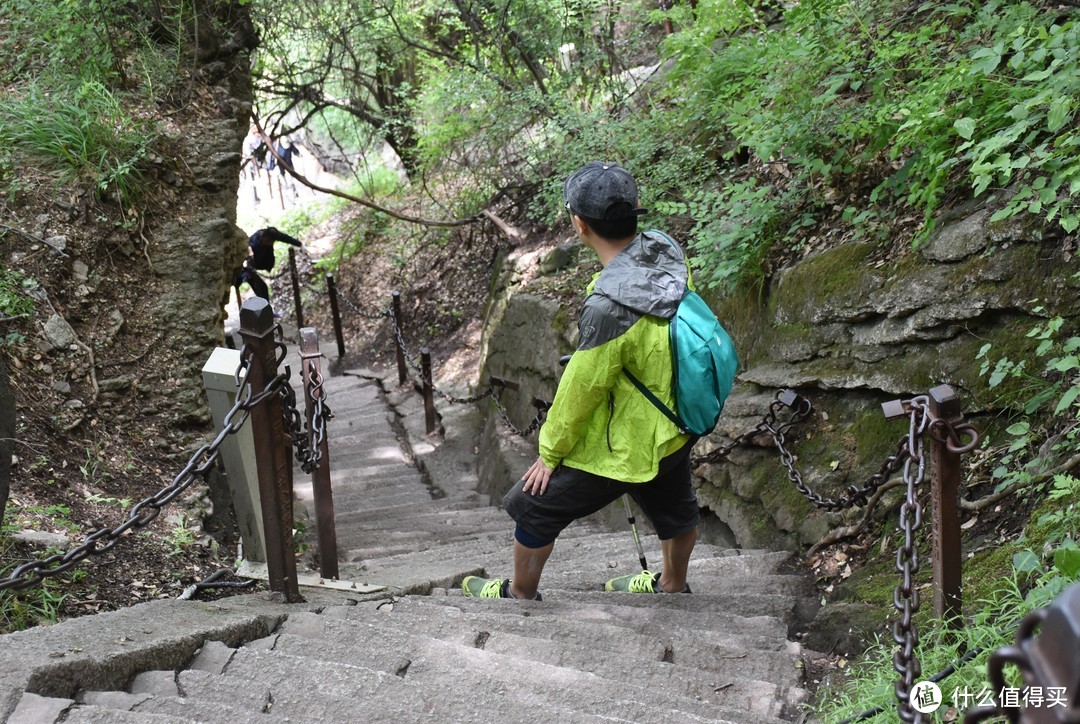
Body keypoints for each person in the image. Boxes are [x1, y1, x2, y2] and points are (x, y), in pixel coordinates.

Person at [462, 162, 701, 601]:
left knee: (533, 505)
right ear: (636, 212)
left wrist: (550, 453)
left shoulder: (609, 309)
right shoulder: (664, 254)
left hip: (627, 438)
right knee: (675, 504)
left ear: (579, 224)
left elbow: (583, 387)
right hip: (675, 418)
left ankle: (519, 596)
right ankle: (672, 583)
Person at [232, 226, 303, 303]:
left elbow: (285, 237)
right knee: (261, 288)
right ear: (263, 238)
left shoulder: (272, 235)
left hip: (266, 262)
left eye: (271, 242)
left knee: (263, 289)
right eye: (268, 241)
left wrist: (300, 244)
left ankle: (267, 310)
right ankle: (265, 310)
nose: (270, 243)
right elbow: (248, 255)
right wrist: (250, 270)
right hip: (253, 265)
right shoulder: (254, 242)